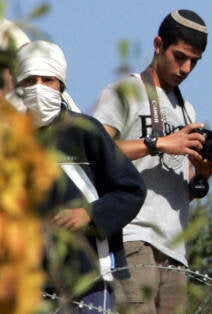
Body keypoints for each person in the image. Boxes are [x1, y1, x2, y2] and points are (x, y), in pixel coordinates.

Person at [92, 9, 212, 313]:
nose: (186, 68)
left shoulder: (186, 109)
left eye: (194, 62)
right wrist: (158, 143)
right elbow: (94, 153)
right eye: (180, 57)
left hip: (174, 248)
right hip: (133, 235)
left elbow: (185, 189)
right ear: (158, 44)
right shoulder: (125, 91)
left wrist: (203, 173)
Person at [7, 40, 146, 313]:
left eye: (47, 80)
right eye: (30, 81)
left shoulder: (84, 132)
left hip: (88, 278)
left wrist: (90, 215)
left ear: (61, 85)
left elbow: (130, 189)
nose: (38, 89)